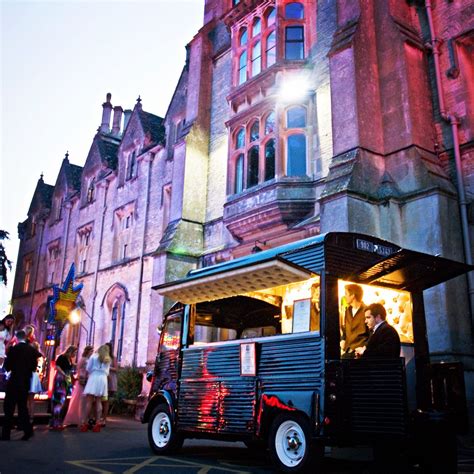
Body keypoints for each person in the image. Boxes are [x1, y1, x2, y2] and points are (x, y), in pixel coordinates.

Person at [1, 330, 40, 441]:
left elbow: (7, 366)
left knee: (9, 408)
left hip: (14, 381)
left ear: (17, 338)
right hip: (25, 381)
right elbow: (34, 367)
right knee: (23, 407)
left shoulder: (14, 349)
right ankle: (27, 431)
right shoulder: (32, 350)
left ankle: (5, 434)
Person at [81, 344, 111, 432]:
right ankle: (97, 423)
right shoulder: (107, 359)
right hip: (103, 378)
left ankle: (84, 423)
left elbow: (88, 368)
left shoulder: (94, 356)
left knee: (89, 401)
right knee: (99, 401)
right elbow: (108, 372)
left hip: (94, 376)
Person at [64, 345, 94, 427]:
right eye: (91, 351)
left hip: (87, 379)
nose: (92, 353)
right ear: (87, 351)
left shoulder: (89, 360)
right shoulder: (83, 359)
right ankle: (78, 418)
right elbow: (79, 368)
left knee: (84, 401)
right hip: (82, 379)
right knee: (80, 399)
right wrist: (81, 377)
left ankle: (82, 418)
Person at [50, 345, 77, 430]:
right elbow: (57, 366)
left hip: (66, 380)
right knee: (59, 400)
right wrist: (63, 373)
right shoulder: (62, 357)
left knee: (63, 400)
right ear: (70, 351)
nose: (75, 355)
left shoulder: (70, 360)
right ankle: (55, 423)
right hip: (61, 379)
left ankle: (58, 422)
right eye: (74, 353)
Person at [340, 284, 369, 359]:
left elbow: (371, 333)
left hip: (359, 354)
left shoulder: (366, 311)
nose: (344, 296)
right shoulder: (347, 311)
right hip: (347, 352)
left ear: (352, 295)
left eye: (346, 294)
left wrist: (364, 348)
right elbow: (345, 330)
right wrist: (343, 339)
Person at [101, 342, 117, 426]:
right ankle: (98, 417)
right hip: (102, 378)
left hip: (110, 379)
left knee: (106, 400)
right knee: (99, 399)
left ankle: (104, 418)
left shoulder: (113, 358)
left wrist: (109, 367)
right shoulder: (102, 357)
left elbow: (116, 369)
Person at [28, 341, 43, 423]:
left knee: (27, 399)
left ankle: (28, 417)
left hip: (30, 376)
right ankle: (31, 417)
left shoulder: (30, 356)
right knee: (31, 399)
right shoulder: (38, 356)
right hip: (34, 376)